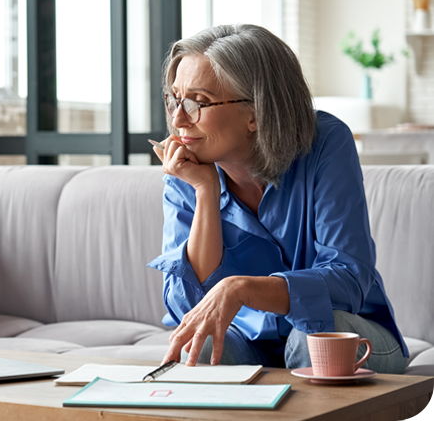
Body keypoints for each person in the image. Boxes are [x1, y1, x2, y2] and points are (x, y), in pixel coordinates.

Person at [146, 24, 408, 373]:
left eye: (198, 102)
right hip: (249, 340)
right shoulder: (187, 168)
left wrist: (242, 289)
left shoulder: (326, 143)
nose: (178, 119)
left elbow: (348, 279)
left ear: (255, 112)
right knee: (203, 344)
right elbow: (189, 307)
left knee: (311, 337)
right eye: (174, 99)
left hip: (349, 332)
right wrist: (205, 192)